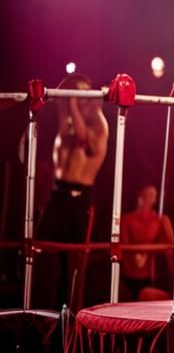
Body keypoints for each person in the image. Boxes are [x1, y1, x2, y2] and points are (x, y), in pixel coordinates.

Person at [33, 74, 108, 311]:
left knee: (76, 259)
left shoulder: (99, 125)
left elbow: (85, 140)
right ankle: (42, 311)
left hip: (80, 197)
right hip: (58, 194)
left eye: (84, 100)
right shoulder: (69, 124)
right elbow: (64, 113)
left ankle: (74, 313)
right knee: (42, 250)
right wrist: (66, 96)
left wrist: (75, 101)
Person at [120, 183, 174, 301]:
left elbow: (170, 244)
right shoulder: (127, 219)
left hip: (152, 272)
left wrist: (149, 250)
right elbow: (123, 244)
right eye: (150, 194)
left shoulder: (160, 220)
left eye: (154, 195)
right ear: (140, 196)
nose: (153, 198)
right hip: (130, 271)